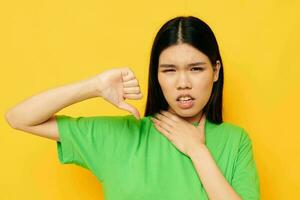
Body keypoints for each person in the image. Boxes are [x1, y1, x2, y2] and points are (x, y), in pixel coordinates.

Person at [5, 16, 260, 200]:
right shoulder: (123, 136)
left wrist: (197, 150)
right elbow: (19, 118)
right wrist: (93, 86)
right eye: (169, 71)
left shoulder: (235, 141)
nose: (183, 84)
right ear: (156, 76)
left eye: (196, 69)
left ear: (215, 71)